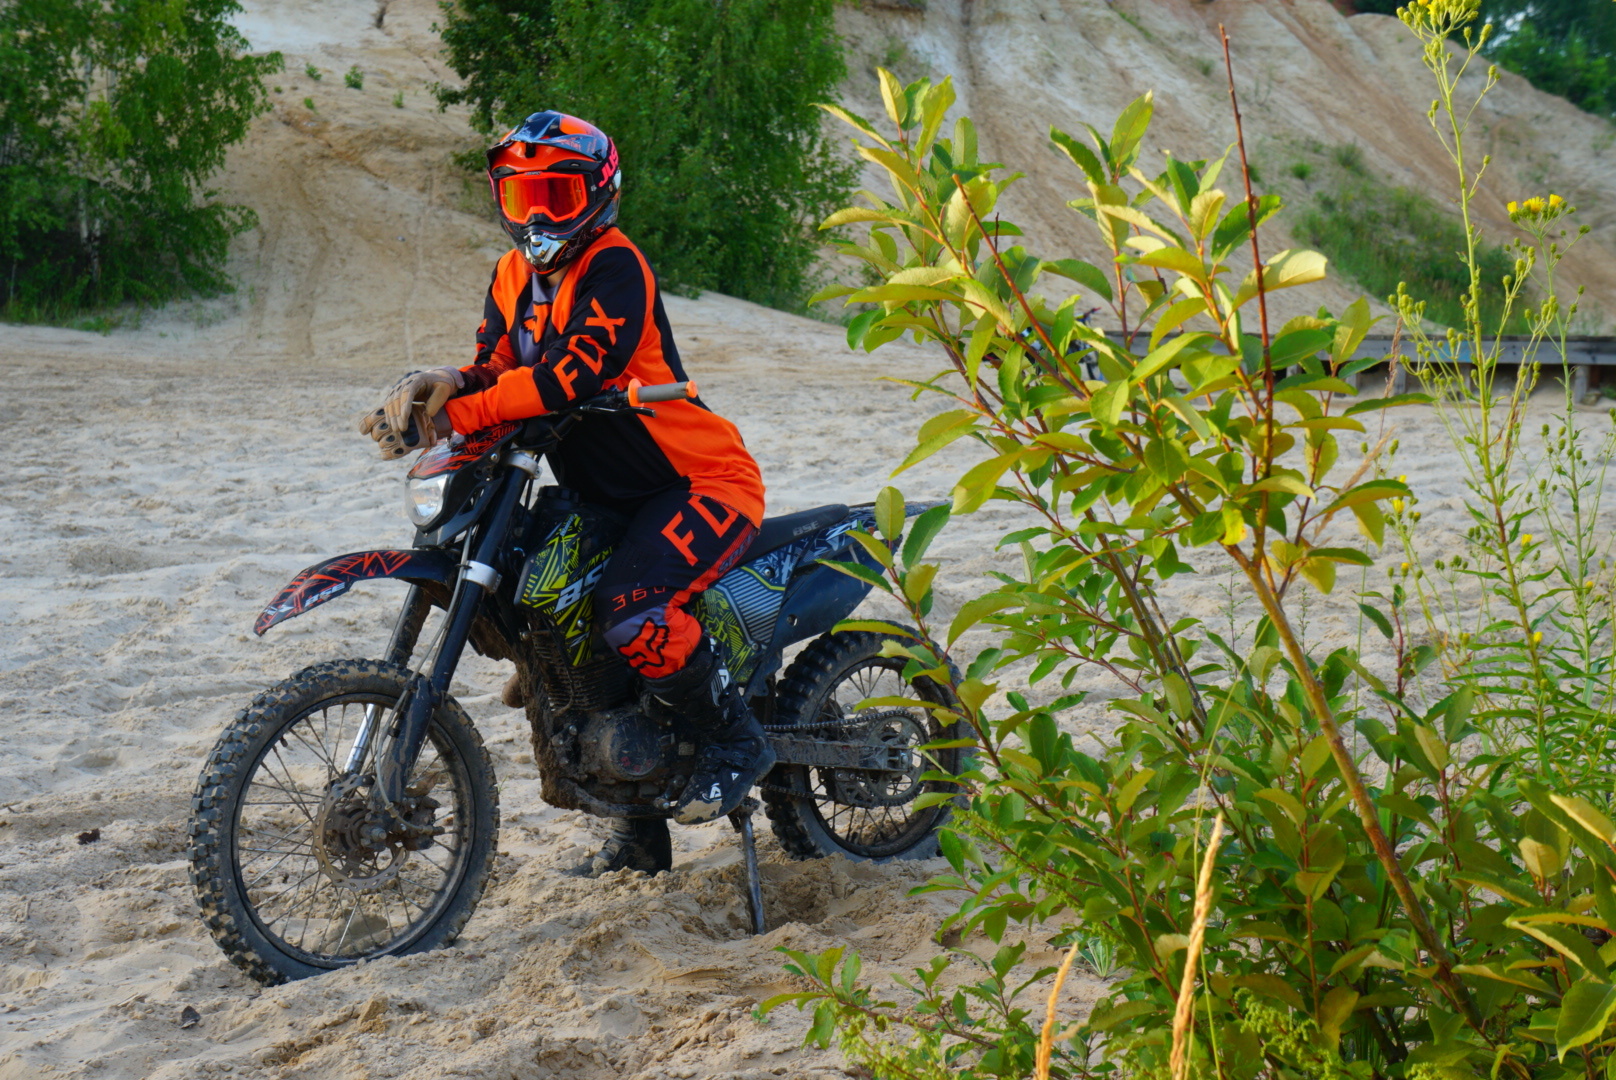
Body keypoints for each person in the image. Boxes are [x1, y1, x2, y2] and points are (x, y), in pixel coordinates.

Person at [357, 111, 774, 876]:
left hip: (697, 482)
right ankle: (639, 834)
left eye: (558, 193)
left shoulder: (617, 267)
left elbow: (569, 376)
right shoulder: (513, 274)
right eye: (524, 196)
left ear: (599, 195)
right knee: (553, 621)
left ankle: (738, 740)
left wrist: (465, 410)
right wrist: (445, 383)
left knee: (632, 609)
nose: (540, 214)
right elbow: (496, 364)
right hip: (608, 493)